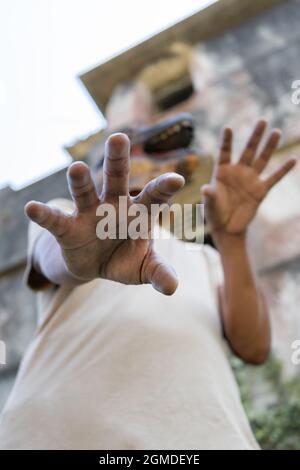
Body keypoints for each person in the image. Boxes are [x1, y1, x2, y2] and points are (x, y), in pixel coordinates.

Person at [0, 120, 296, 450]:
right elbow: (51, 257)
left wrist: (231, 238)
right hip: (59, 435)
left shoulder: (203, 258)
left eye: (144, 146)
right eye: (117, 153)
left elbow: (254, 347)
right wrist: (79, 253)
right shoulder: (65, 216)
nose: (135, 156)